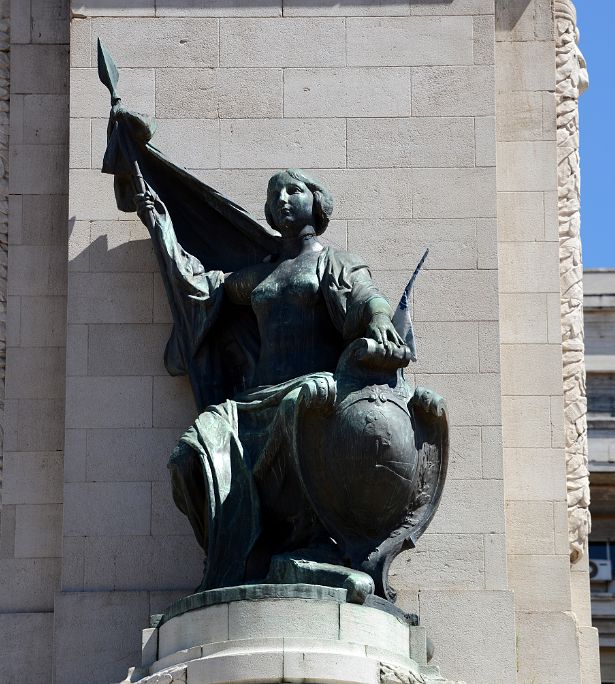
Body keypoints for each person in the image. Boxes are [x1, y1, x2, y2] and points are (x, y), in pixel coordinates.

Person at [133, 167, 413, 590]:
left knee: (299, 402)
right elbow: (199, 288)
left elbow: (364, 296)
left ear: (316, 202)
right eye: (274, 194)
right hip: (251, 403)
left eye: (293, 190)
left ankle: (306, 544)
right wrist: (162, 226)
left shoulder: (332, 262)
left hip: (314, 394)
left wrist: (377, 318)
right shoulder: (257, 276)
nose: (282, 199)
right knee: (187, 458)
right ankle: (233, 557)